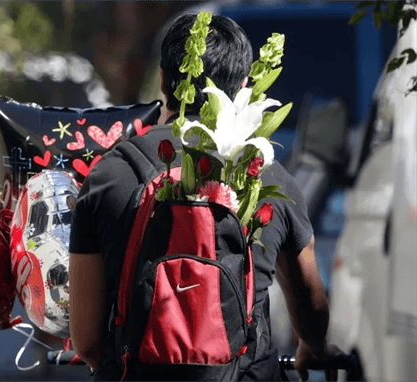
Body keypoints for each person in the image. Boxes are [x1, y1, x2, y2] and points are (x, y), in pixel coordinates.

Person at [69, 14, 340, 382]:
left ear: (164, 80)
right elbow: (311, 312)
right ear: (244, 86)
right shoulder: (267, 175)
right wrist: (314, 346)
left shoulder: (107, 176)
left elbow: (85, 341)